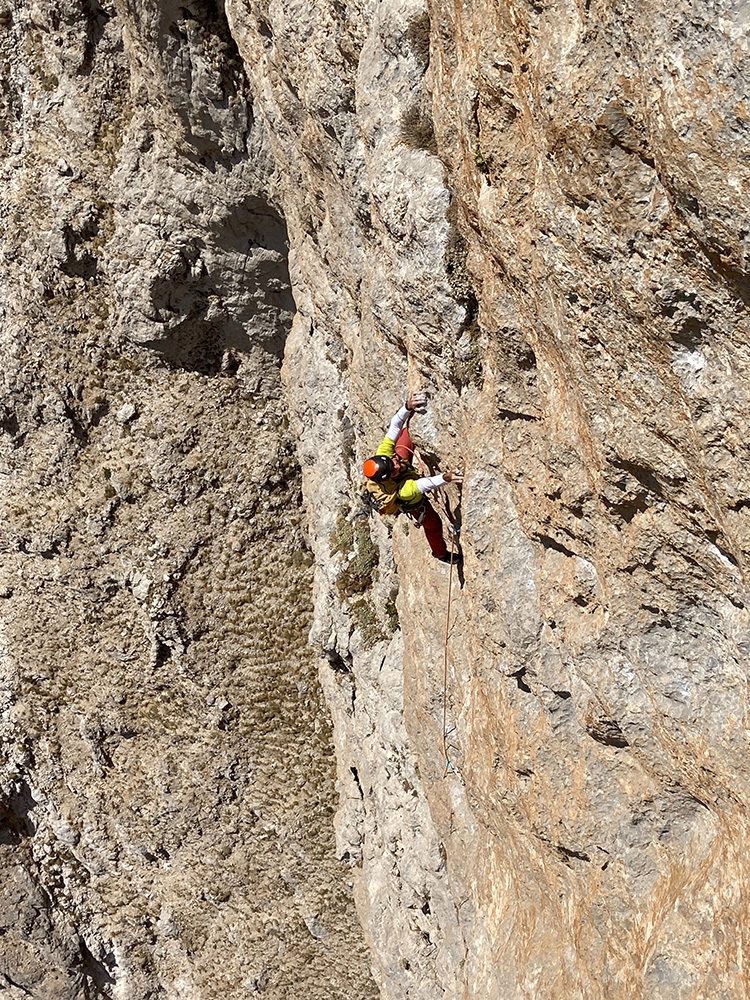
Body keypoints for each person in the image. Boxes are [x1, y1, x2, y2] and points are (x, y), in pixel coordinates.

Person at [362, 392, 463, 563]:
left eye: (393, 461)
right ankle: (440, 554)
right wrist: (445, 477)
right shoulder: (401, 491)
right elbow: (424, 485)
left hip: (402, 476)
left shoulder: (385, 457)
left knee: (406, 435)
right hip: (415, 504)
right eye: (394, 469)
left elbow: (394, 427)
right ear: (388, 478)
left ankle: (412, 423)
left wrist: (407, 407)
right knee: (433, 526)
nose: (397, 464)